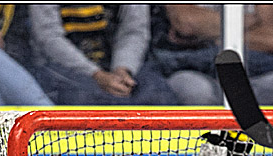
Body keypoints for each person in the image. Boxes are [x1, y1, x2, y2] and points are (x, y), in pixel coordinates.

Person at [151, 4, 273, 105]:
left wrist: (213, 36)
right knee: (198, 92)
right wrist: (251, 20)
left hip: (253, 72)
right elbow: (187, 23)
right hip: (193, 69)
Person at [28, 4, 176, 106]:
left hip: (119, 66)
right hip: (62, 69)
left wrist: (122, 69)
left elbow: (134, 31)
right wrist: (97, 75)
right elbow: (48, 38)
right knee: (88, 100)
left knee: (159, 96)